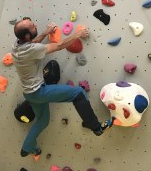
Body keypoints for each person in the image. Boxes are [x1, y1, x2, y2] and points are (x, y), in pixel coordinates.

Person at [11, 17, 115, 157]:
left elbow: (32, 44)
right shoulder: (30, 49)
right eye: (33, 26)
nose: (35, 25)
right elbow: (59, 46)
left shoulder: (16, 46)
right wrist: (77, 34)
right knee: (78, 93)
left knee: (43, 121)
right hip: (38, 92)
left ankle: (27, 147)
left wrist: (46, 32)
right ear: (27, 35)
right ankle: (96, 127)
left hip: (29, 94)